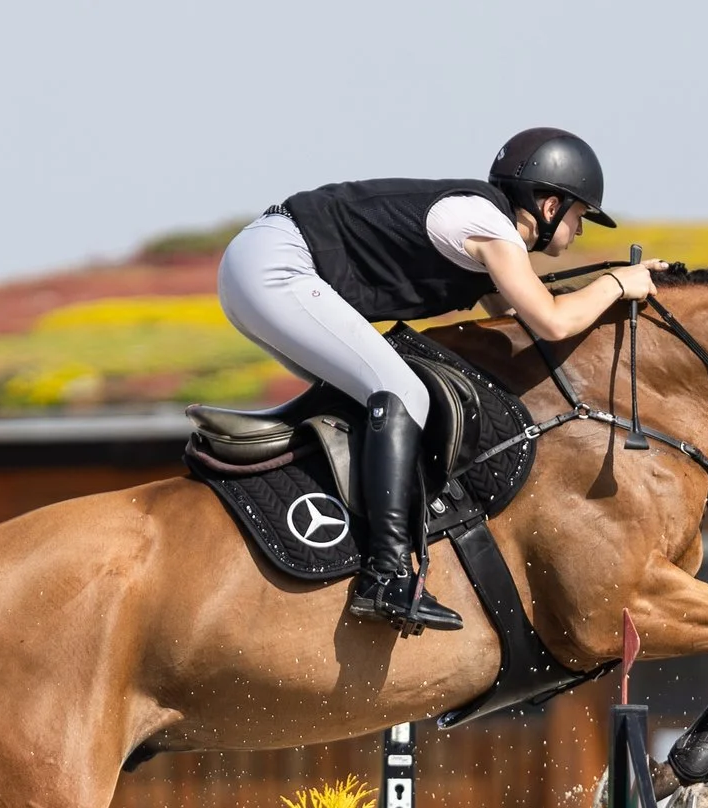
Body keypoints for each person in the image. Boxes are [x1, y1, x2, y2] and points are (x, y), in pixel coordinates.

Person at [217, 128, 666, 632]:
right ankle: (385, 576)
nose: (581, 231)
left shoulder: (489, 234)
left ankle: (336, 535)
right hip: (277, 268)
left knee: (372, 397)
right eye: (581, 216)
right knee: (402, 394)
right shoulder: (490, 227)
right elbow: (553, 321)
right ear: (549, 205)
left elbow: (517, 324)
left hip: (259, 265)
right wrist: (616, 283)